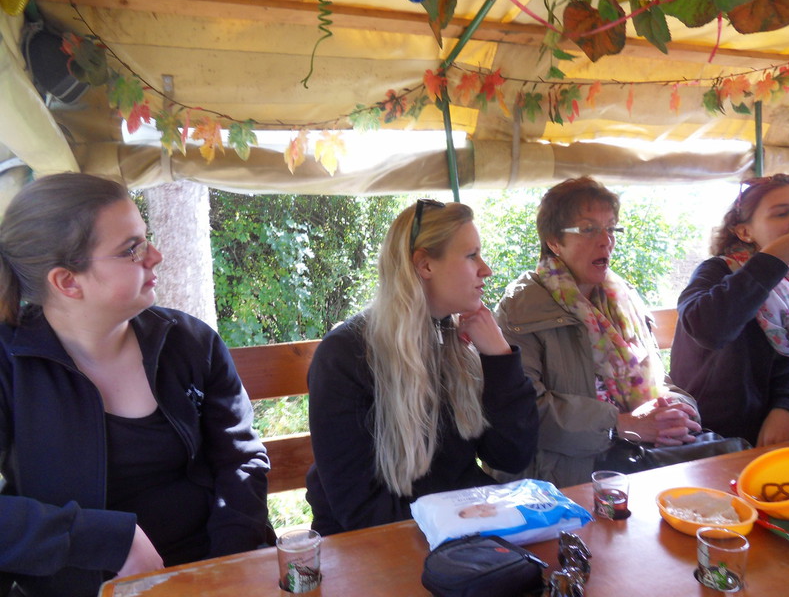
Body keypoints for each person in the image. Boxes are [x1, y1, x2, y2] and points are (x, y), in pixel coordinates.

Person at [0, 173, 273, 597]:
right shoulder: (9, 365)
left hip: (211, 574)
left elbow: (240, 461)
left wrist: (225, 569)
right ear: (67, 282)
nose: (156, 256)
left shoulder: (190, 343)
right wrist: (109, 539)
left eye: (145, 240)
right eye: (132, 249)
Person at [305, 199, 539, 536]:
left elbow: (512, 456)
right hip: (384, 541)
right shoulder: (346, 355)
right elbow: (359, 507)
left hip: (466, 527)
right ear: (425, 265)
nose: (486, 269)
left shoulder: (458, 341)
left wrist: (499, 359)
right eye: (471, 255)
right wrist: (455, 530)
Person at [493, 177, 701, 488]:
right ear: (554, 241)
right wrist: (623, 425)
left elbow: (659, 381)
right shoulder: (521, 308)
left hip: (641, 462)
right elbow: (525, 412)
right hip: (563, 481)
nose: (606, 240)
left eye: (611, 228)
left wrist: (679, 409)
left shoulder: (623, 300)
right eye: (588, 229)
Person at [671, 173, 789, 447]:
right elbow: (706, 328)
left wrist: (786, 408)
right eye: (782, 213)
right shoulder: (718, 270)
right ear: (744, 232)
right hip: (713, 438)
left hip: (778, 432)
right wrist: (774, 258)